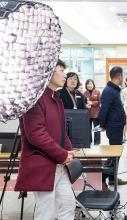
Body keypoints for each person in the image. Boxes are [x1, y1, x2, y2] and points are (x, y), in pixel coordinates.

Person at [15, 59, 76, 220]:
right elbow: (36, 135)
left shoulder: (56, 97)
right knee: (46, 211)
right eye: (61, 70)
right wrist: (62, 154)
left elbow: (63, 130)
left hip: (59, 162)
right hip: (43, 163)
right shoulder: (34, 98)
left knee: (68, 205)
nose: (65, 74)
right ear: (48, 72)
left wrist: (69, 150)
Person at [99, 66, 127, 186]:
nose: (123, 78)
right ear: (120, 76)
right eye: (123, 75)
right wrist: (103, 124)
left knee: (116, 154)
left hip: (117, 126)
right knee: (113, 155)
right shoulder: (109, 91)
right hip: (113, 127)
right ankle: (102, 180)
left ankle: (112, 179)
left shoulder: (114, 90)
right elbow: (103, 110)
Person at [84, 79, 101, 145]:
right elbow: (83, 102)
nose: (89, 85)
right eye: (88, 84)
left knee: (97, 129)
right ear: (86, 85)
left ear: (93, 85)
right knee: (88, 129)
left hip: (96, 113)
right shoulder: (84, 93)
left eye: (91, 84)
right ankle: (89, 141)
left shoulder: (97, 92)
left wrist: (92, 103)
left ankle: (97, 142)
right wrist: (86, 104)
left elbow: (100, 102)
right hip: (87, 114)